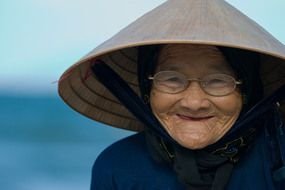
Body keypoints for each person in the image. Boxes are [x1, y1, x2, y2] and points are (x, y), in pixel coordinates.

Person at [58, 0, 285, 189]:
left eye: (217, 81)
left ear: (247, 90)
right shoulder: (117, 167)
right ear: (148, 88)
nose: (194, 103)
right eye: (172, 79)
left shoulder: (278, 157)